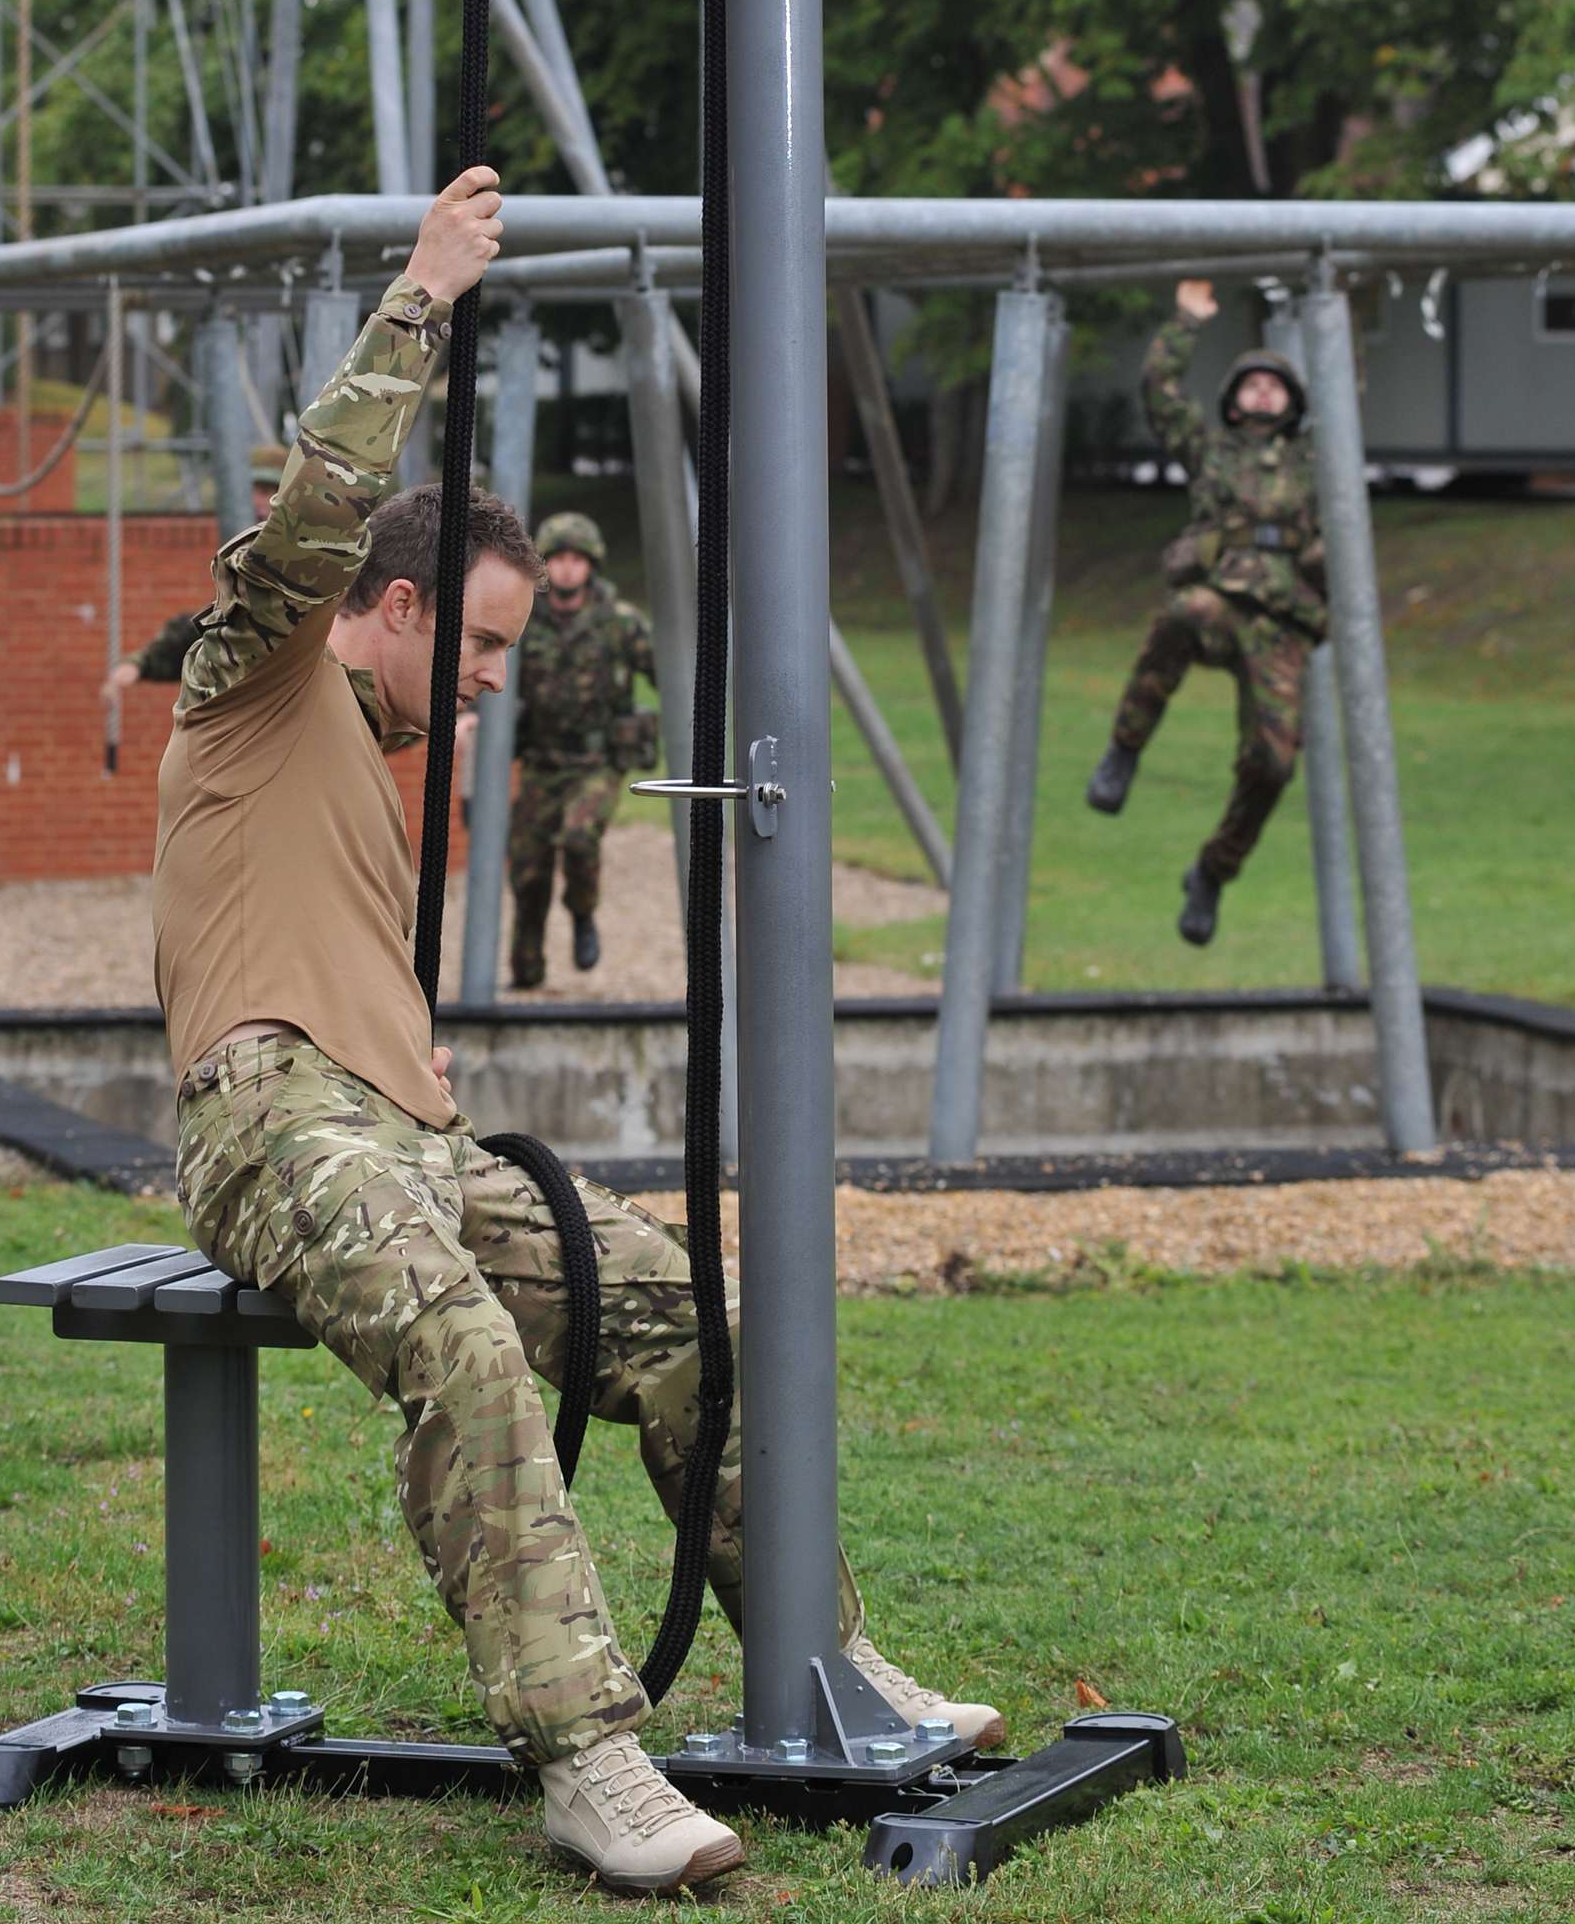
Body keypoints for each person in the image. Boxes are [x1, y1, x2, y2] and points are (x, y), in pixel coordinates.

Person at [157, 166, 1003, 1898]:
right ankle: (585, 1757)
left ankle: (815, 1660)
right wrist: (423, 297)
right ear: (386, 604)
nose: (491, 677)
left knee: (696, 1312)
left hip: (397, 1136)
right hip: (264, 1124)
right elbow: (319, 506)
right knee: (467, 1349)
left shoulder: (359, 758)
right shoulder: (257, 673)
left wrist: (416, 1088)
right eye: (474, 639)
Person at [1086, 277, 1329, 945]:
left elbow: (1348, 396)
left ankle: (1213, 871)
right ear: (1233, 399)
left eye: (1274, 385)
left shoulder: (1315, 461)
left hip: (1282, 621)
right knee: (1185, 613)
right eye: (1250, 384)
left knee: (1272, 764)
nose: (1261, 393)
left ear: (1292, 401)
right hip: (1224, 598)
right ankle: (1124, 748)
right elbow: (1160, 395)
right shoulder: (1213, 452)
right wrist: (1186, 322)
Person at [506, 513, 657, 989]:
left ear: (591, 565)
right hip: (541, 761)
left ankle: (583, 914)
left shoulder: (620, 622)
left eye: (577, 560)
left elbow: (673, 673)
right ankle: (527, 973)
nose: (568, 569)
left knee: (578, 838)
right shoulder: (523, 618)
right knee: (528, 872)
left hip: (596, 762)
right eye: (558, 559)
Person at [102, 448, 284, 700]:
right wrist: (141, 662)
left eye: (266, 492)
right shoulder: (243, 555)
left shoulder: (308, 552)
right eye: (252, 491)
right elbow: (221, 624)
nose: (257, 501)